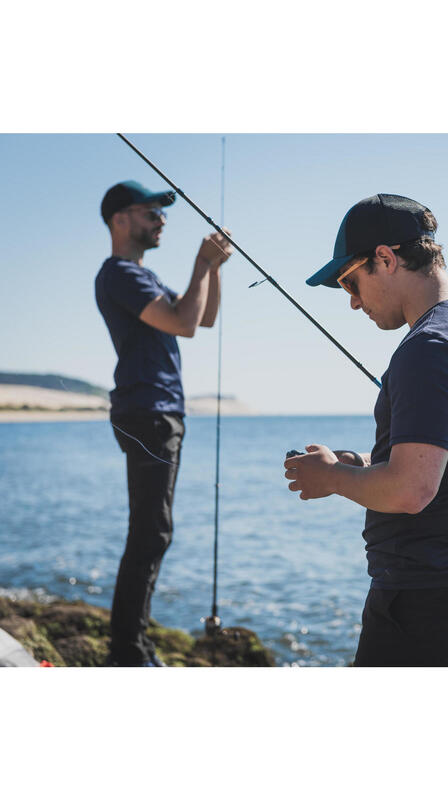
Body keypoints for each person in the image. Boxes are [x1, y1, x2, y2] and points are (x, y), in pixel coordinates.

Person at [284, 193, 448, 666]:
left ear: (385, 259)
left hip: (429, 597)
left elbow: (411, 490)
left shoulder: (428, 346)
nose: (352, 303)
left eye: (351, 282)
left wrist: (331, 478)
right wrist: (358, 464)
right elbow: (441, 462)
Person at [95, 180, 233, 666]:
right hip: (148, 412)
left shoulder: (143, 278)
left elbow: (204, 316)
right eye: (150, 211)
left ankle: (131, 647)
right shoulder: (118, 274)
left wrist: (212, 269)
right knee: (151, 532)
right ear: (120, 220)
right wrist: (200, 262)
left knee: (152, 531)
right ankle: (129, 653)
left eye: (162, 212)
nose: (161, 219)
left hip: (158, 411)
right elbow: (183, 323)